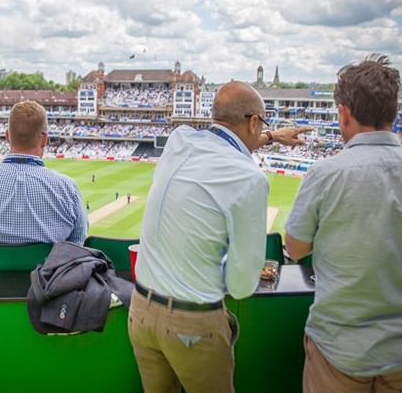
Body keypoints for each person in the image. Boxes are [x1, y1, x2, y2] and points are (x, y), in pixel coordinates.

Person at [130, 81, 310, 393]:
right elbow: (241, 285)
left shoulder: (178, 140)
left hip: (141, 314)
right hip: (191, 325)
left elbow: (222, 139)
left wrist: (269, 137)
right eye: (261, 123)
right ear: (253, 122)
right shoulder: (249, 177)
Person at [285, 55, 402, 393]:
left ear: (344, 112)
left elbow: (295, 248)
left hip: (339, 351)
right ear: (392, 112)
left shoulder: (326, 173)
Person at [0, 100, 87, 249]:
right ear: (44, 139)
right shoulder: (67, 188)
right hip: (47, 271)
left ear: (7, 136)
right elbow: (76, 244)